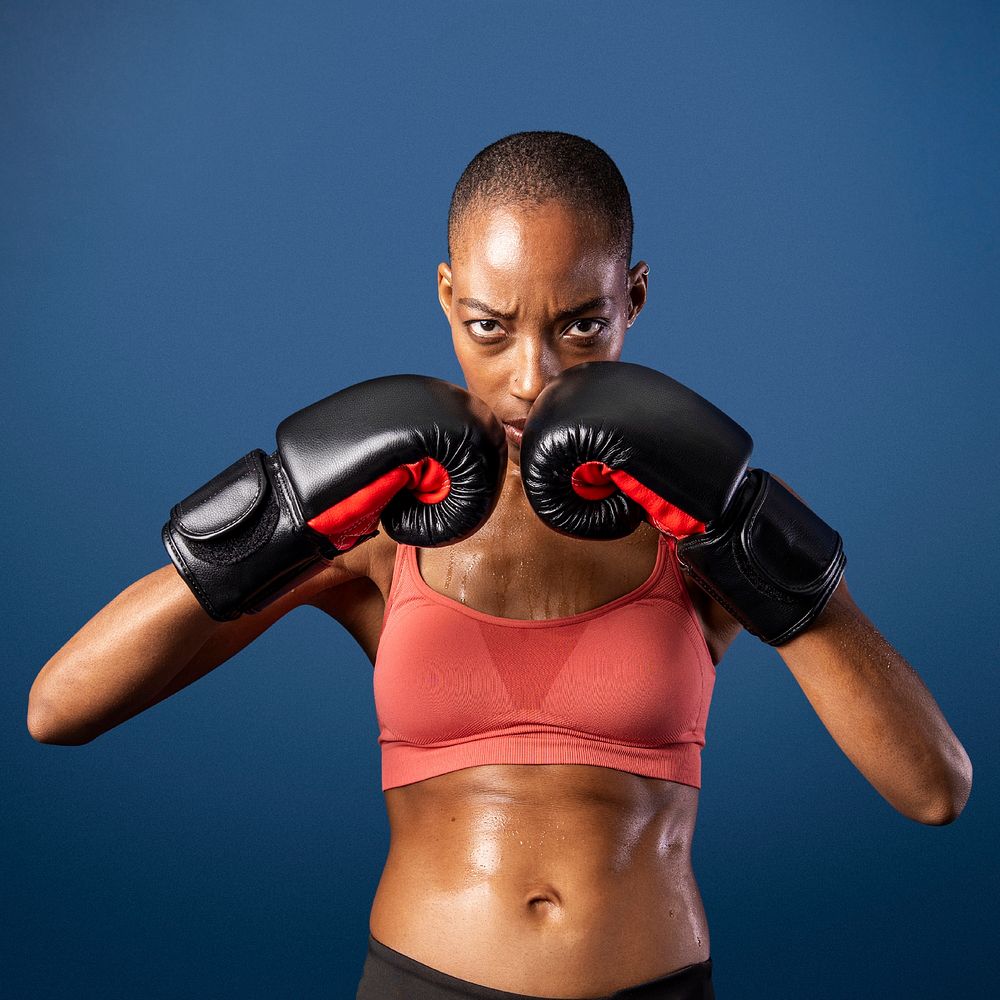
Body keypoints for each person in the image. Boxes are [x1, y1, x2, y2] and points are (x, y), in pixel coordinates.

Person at [27, 132, 972, 1000]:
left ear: (632, 299)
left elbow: (935, 787)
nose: (532, 376)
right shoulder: (387, 518)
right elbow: (59, 708)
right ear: (446, 297)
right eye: (490, 327)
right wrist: (284, 508)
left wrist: (745, 535)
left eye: (581, 326)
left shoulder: (695, 513)